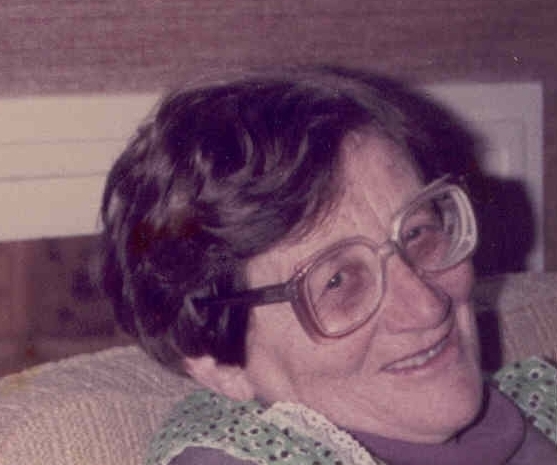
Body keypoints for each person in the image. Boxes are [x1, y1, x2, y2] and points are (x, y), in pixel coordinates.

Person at [99, 67, 557, 464]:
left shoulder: (535, 402)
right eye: (338, 281)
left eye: (418, 233)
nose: (427, 305)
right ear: (220, 365)